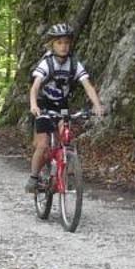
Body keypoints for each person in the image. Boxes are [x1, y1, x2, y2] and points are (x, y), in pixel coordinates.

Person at [26, 22, 104, 191]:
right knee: (43, 145)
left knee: (65, 137)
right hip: (43, 103)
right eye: (59, 43)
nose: (63, 47)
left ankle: (63, 166)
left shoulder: (75, 64)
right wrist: (33, 105)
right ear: (52, 45)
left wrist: (97, 105)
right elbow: (35, 86)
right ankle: (33, 178)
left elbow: (88, 85)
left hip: (61, 104)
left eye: (66, 43)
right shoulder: (47, 63)